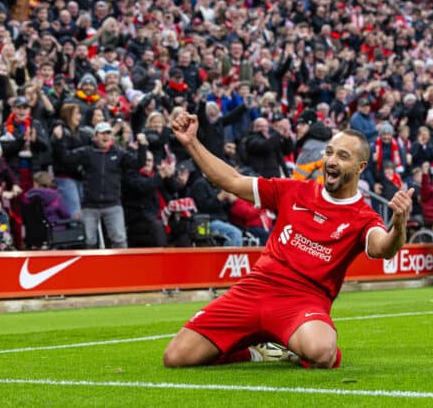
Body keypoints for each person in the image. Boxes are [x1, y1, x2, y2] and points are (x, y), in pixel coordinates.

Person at [163, 113, 413, 369]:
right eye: (329, 152)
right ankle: (257, 352)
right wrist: (191, 142)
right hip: (254, 289)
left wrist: (399, 224)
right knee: (175, 357)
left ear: (360, 167)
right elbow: (231, 180)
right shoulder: (294, 190)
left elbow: (383, 248)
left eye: (343, 156)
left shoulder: (363, 217)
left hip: (303, 301)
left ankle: (283, 340)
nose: (332, 161)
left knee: (322, 353)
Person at [52, 121, 148, 248]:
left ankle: (122, 267)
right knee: (87, 242)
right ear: (95, 136)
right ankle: (88, 268)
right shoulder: (87, 152)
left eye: (108, 133)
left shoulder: (119, 153)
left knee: (120, 241)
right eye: (102, 134)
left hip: (113, 204)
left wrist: (143, 146)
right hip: (90, 205)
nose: (106, 136)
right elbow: (66, 158)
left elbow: (138, 164)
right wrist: (59, 140)